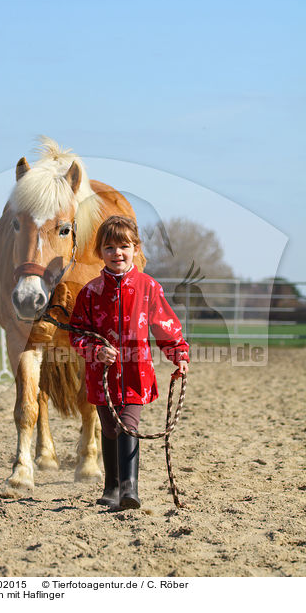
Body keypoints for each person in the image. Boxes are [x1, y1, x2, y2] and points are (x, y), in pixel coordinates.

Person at [69, 215, 189, 510]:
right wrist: (95, 350)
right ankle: (111, 486)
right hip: (102, 376)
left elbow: (165, 327)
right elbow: (77, 334)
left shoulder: (148, 287)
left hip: (136, 373)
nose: (117, 253)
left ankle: (129, 488)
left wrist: (179, 355)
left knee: (128, 425)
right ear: (100, 252)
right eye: (109, 247)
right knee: (109, 428)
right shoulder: (90, 292)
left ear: (136, 248)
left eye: (123, 246)